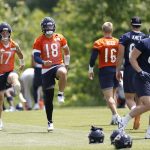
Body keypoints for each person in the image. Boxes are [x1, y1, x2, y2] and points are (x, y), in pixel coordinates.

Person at [32, 17, 70, 131]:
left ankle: (61, 94)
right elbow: (36, 57)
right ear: (43, 28)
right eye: (47, 27)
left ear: (53, 26)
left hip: (58, 65)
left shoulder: (60, 37)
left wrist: (66, 65)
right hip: (46, 69)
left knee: (63, 72)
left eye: (50, 26)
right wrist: (44, 62)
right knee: (48, 99)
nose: (49, 28)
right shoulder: (39, 40)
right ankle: (50, 121)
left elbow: (67, 51)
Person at [116, 16, 146, 129]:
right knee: (139, 95)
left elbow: (120, 55)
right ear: (140, 25)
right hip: (141, 69)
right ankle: (138, 112)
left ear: (131, 24)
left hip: (129, 68)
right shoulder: (144, 37)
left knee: (129, 98)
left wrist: (117, 69)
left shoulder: (125, 37)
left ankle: (134, 112)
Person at [118, 37, 150, 139]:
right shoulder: (144, 42)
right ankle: (124, 120)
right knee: (148, 104)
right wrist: (140, 71)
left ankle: (149, 132)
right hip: (142, 78)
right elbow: (132, 58)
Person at [88, 22, 120, 125]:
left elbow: (93, 58)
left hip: (105, 70)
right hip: (116, 69)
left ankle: (116, 115)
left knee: (108, 97)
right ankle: (114, 117)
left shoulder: (99, 42)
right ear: (112, 30)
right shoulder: (117, 42)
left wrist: (90, 69)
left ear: (103, 30)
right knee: (113, 95)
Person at [0, 22, 25, 130]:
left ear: (10, 33)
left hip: (9, 70)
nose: (5, 34)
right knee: (0, 98)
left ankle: (17, 88)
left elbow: (20, 54)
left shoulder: (14, 44)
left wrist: (22, 63)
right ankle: (0, 120)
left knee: (14, 77)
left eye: (7, 32)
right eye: (3, 32)